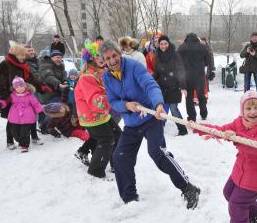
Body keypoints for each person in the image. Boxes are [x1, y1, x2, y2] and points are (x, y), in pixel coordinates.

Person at [100, 39, 200, 209]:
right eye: (107, 58)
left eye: (114, 56)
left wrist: (158, 104)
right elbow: (112, 101)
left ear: (120, 54)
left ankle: (188, 188)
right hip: (132, 123)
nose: (112, 61)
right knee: (120, 157)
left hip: (150, 118)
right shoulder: (107, 77)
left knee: (157, 152)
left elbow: (150, 85)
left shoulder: (133, 67)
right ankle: (129, 197)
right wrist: (125, 105)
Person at [188, 90, 257, 223]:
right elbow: (220, 130)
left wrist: (235, 136)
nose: (252, 112)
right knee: (228, 192)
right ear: (242, 110)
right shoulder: (240, 122)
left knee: (237, 203)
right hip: (241, 169)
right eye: (248, 108)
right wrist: (197, 127)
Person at [75, 40, 122, 179]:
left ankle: (116, 165)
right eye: (97, 56)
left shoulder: (102, 73)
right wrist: (114, 99)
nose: (101, 59)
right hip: (91, 116)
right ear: (90, 59)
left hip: (102, 115)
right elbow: (96, 102)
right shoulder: (87, 77)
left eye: (102, 56)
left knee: (118, 135)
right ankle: (95, 170)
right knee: (107, 139)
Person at [0, 45, 51, 149]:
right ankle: (10, 141)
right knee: (11, 120)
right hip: (10, 96)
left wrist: (41, 86)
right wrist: (2, 97)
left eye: (24, 55)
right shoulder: (5, 64)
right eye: (21, 55)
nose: (23, 57)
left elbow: (31, 79)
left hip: (25, 95)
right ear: (14, 54)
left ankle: (34, 136)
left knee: (31, 115)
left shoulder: (23, 64)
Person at [0, 77, 44, 153]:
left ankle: (24, 145)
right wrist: (0, 103)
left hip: (27, 116)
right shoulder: (12, 95)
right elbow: (6, 101)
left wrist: (40, 110)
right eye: (17, 87)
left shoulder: (29, 95)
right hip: (14, 116)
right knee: (15, 131)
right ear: (14, 88)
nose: (19, 88)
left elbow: (36, 103)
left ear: (25, 86)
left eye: (21, 86)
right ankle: (19, 140)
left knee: (25, 132)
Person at [153, 35, 188, 136]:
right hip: (163, 87)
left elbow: (181, 70)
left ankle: (182, 129)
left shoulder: (175, 54)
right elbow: (157, 71)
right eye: (161, 44)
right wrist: (150, 80)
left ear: (168, 44)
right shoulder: (157, 55)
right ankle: (160, 127)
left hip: (174, 86)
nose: (163, 46)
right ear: (158, 45)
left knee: (173, 109)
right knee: (162, 108)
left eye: (165, 43)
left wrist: (183, 86)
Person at [178, 33, 212, 121]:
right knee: (201, 96)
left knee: (188, 98)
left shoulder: (181, 47)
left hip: (187, 76)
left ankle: (192, 117)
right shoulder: (202, 47)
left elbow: (177, 62)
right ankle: (204, 113)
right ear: (196, 38)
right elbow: (208, 61)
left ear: (186, 38)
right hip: (199, 75)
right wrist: (201, 64)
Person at [25, 45, 44, 145]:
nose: (31, 52)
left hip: (38, 87)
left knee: (38, 108)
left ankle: (39, 127)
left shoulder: (37, 60)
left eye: (32, 50)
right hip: (30, 89)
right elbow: (34, 74)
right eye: (29, 51)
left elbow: (41, 72)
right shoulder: (25, 63)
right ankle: (31, 135)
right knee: (32, 112)